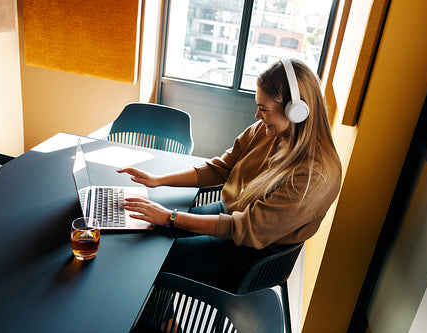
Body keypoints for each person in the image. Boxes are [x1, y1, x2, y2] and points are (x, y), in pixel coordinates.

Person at [117, 59, 342, 292]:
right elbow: (221, 168)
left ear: (295, 112)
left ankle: (164, 324)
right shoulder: (266, 131)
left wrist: (170, 217)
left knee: (153, 257)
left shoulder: (315, 175)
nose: (256, 115)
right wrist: (158, 180)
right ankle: (166, 320)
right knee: (151, 232)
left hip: (254, 252)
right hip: (234, 214)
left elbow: (246, 229)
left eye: (263, 109)